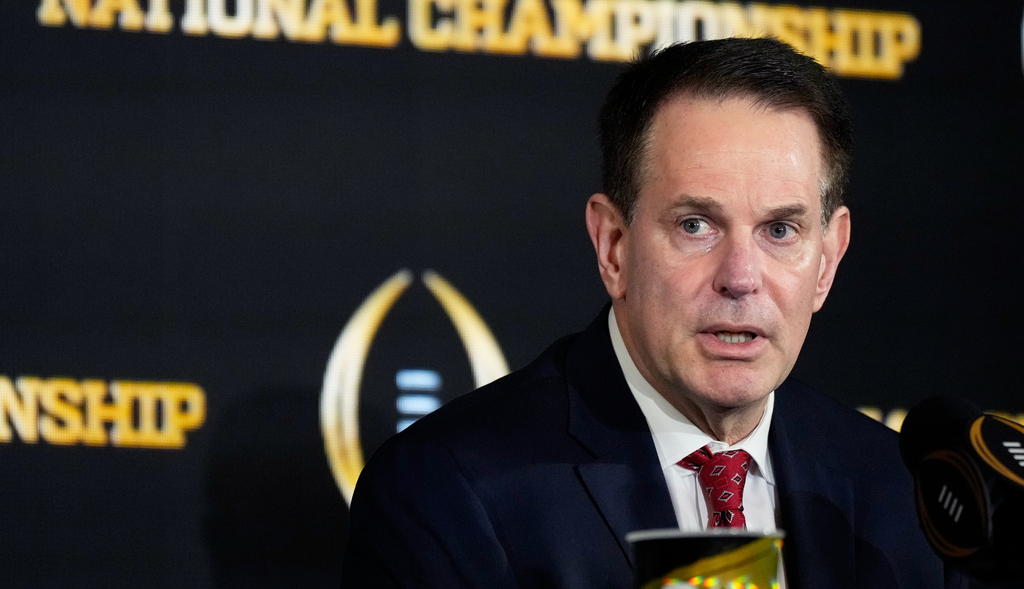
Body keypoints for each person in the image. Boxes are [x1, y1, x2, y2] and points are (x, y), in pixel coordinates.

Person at [341, 38, 971, 587]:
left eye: (780, 230)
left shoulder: (905, 493)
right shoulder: (448, 492)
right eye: (696, 225)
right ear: (613, 246)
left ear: (828, 259)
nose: (741, 278)